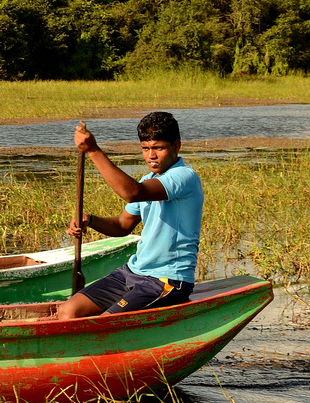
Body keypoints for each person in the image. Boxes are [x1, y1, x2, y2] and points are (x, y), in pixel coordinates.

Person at [56, 111, 203, 319]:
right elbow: (122, 226)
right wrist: (90, 220)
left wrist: (93, 150)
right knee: (68, 311)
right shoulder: (148, 178)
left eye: (158, 148)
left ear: (176, 146)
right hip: (133, 273)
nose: (151, 155)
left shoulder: (184, 177)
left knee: (107, 321)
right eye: (145, 148)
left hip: (167, 280)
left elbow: (132, 193)